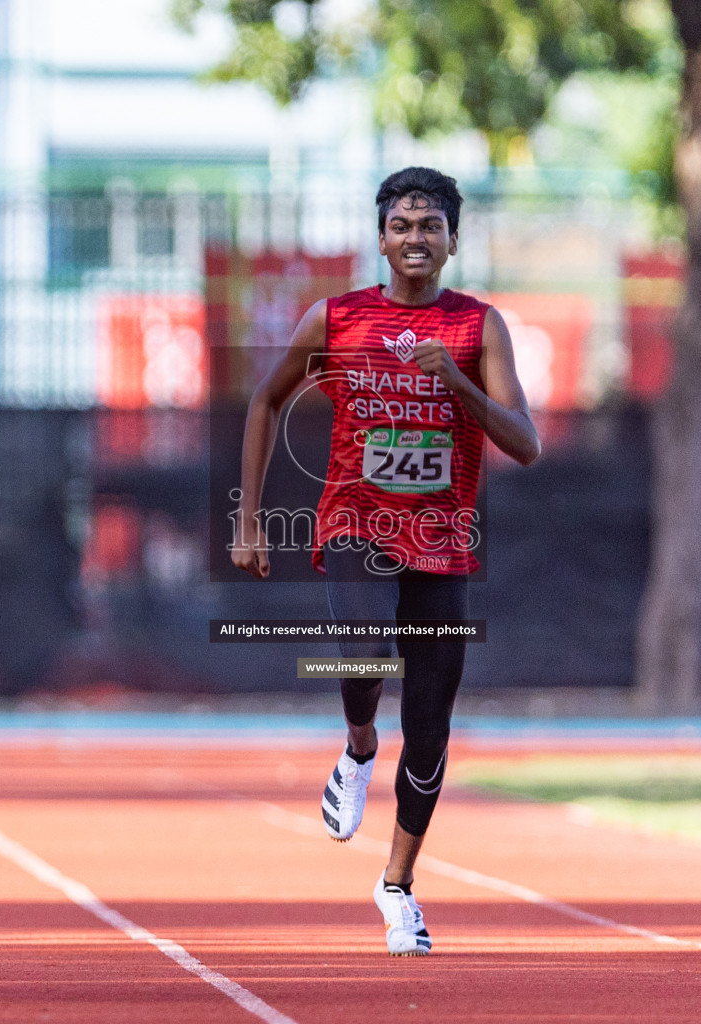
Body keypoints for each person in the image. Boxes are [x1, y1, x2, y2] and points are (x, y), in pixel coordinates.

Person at [232, 167, 540, 955]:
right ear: (380, 238)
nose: (415, 238)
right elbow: (265, 400)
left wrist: (459, 386)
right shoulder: (335, 320)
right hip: (354, 524)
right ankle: (360, 742)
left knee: (432, 728)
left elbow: (526, 445)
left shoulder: (479, 329)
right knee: (365, 653)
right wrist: (252, 519)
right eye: (401, 225)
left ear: (452, 241)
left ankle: (397, 886)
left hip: (441, 544)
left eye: (430, 226)